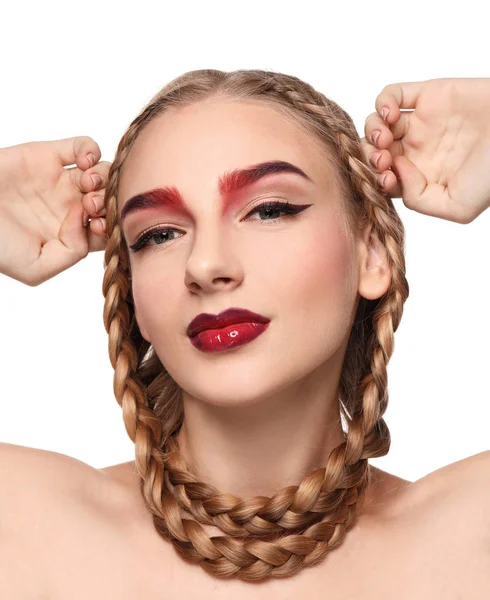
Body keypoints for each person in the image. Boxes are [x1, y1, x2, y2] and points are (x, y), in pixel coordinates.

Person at [1, 71, 489, 596]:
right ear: (133, 297)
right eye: (159, 234)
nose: (206, 265)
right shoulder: (25, 522)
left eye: (269, 209)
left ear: (373, 253)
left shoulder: (469, 536)